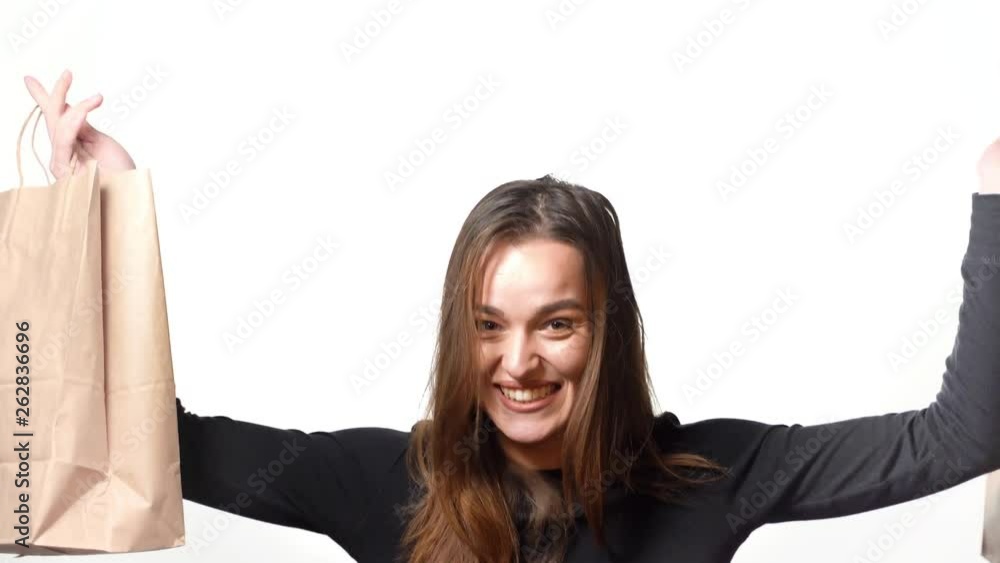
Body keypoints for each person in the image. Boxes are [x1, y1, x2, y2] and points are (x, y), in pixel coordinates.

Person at [23, 70, 1000, 563]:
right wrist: (99, 220)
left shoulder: (713, 475)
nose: (518, 359)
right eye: (489, 323)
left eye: (555, 322)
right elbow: (145, 442)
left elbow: (961, 437)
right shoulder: (381, 482)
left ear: (605, 329)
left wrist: (996, 199)